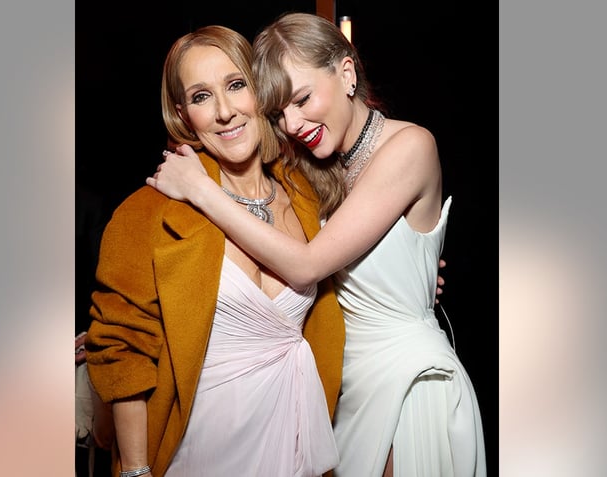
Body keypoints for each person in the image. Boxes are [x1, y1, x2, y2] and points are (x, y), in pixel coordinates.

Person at [146, 12, 485, 477]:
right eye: (279, 112)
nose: (293, 122)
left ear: (347, 73)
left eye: (303, 99)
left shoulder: (411, 146)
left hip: (406, 380)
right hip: (341, 390)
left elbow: (307, 266)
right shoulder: (314, 169)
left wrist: (203, 192)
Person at [86, 25, 346, 477]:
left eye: (236, 85)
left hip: (295, 445)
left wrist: (412, 277)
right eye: (201, 97)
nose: (225, 112)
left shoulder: (307, 195)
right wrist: (135, 470)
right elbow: (122, 351)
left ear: (259, 90)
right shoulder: (148, 211)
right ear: (184, 115)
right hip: (199, 451)